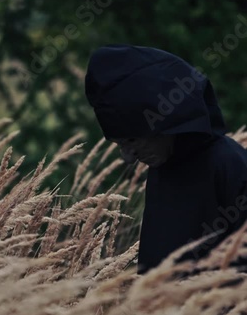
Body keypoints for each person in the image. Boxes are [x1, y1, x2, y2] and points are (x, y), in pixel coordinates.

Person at [85, 44, 247, 274]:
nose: (128, 158)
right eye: (119, 144)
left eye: (131, 140)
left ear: (165, 123)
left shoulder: (231, 166)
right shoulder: (164, 167)